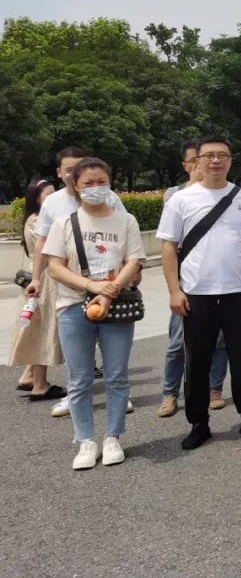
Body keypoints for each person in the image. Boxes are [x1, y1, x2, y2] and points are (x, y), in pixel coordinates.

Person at [157, 136, 241, 450]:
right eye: (208, 155)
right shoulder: (181, 200)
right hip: (197, 294)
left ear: (231, 160)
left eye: (222, 155)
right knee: (197, 361)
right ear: (196, 161)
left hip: (239, 291)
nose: (216, 161)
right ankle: (199, 422)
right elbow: (168, 248)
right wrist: (174, 290)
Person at [42, 158, 145, 469]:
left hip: (117, 304)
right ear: (75, 185)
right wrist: (91, 285)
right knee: (79, 378)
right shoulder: (64, 223)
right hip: (73, 305)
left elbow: (133, 260)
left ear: (110, 183)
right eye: (88, 183)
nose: (96, 188)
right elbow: (54, 267)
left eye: (102, 182)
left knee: (117, 375)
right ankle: (85, 440)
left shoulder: (126, 220)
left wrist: (110, 290)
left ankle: (113, 436)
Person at [27, 147, 129, 417]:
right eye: (70, 170)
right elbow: (42, 243)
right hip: (68, 283)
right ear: (62, 174)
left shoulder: (111, 198)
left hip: (108, 282)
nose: (77, 174)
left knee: (110, 341)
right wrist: (36, 278)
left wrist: (124, 277)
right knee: (73, 343)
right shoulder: (53, 203)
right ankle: (74, 396)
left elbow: (124, 236)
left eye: (80, 167)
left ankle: (118, 394)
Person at [158, 140, 228, 418]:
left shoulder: (228, 193)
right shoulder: (176, 195)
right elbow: (169, 242)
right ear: (188, 164)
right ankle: (169, 393)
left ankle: (215, 388)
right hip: (188, 281)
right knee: (178, 342)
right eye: (196, 160)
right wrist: (173, 289)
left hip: (221, 282)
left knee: (220, 341)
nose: (202, 165)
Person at [11, 180, 64, 400]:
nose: (54, 197)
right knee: (43, 328)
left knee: (37, 327)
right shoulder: (36, 220)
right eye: (48, 194)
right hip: (42, 278)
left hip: (38, 277)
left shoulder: (35, 218)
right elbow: (50, 247)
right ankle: (40, 385)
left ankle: (29, 376)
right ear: (37, 198)